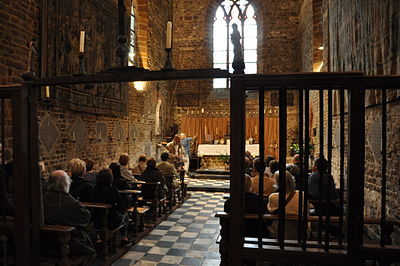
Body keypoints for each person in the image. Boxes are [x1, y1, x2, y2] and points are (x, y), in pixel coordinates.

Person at [42, 170, 95, 260]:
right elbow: (86, 217)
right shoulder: (70, 202)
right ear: (65, 184)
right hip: (64, 243)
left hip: (44, 243)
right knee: (90, 249)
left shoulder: (42, 199)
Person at [90, 169, 131, 246]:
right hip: (111, 221)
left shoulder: (93, 190)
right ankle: (124, 238)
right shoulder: (113, 190)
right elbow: (121, 206)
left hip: (96, 220)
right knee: (125, 215)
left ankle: (102, 238)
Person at [267, 169, 309, 240]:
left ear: (277, 182)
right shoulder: (302, 195)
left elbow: (270, 211)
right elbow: (307, 211)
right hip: (300, 232)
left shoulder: (273, 197)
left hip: (280, 232)